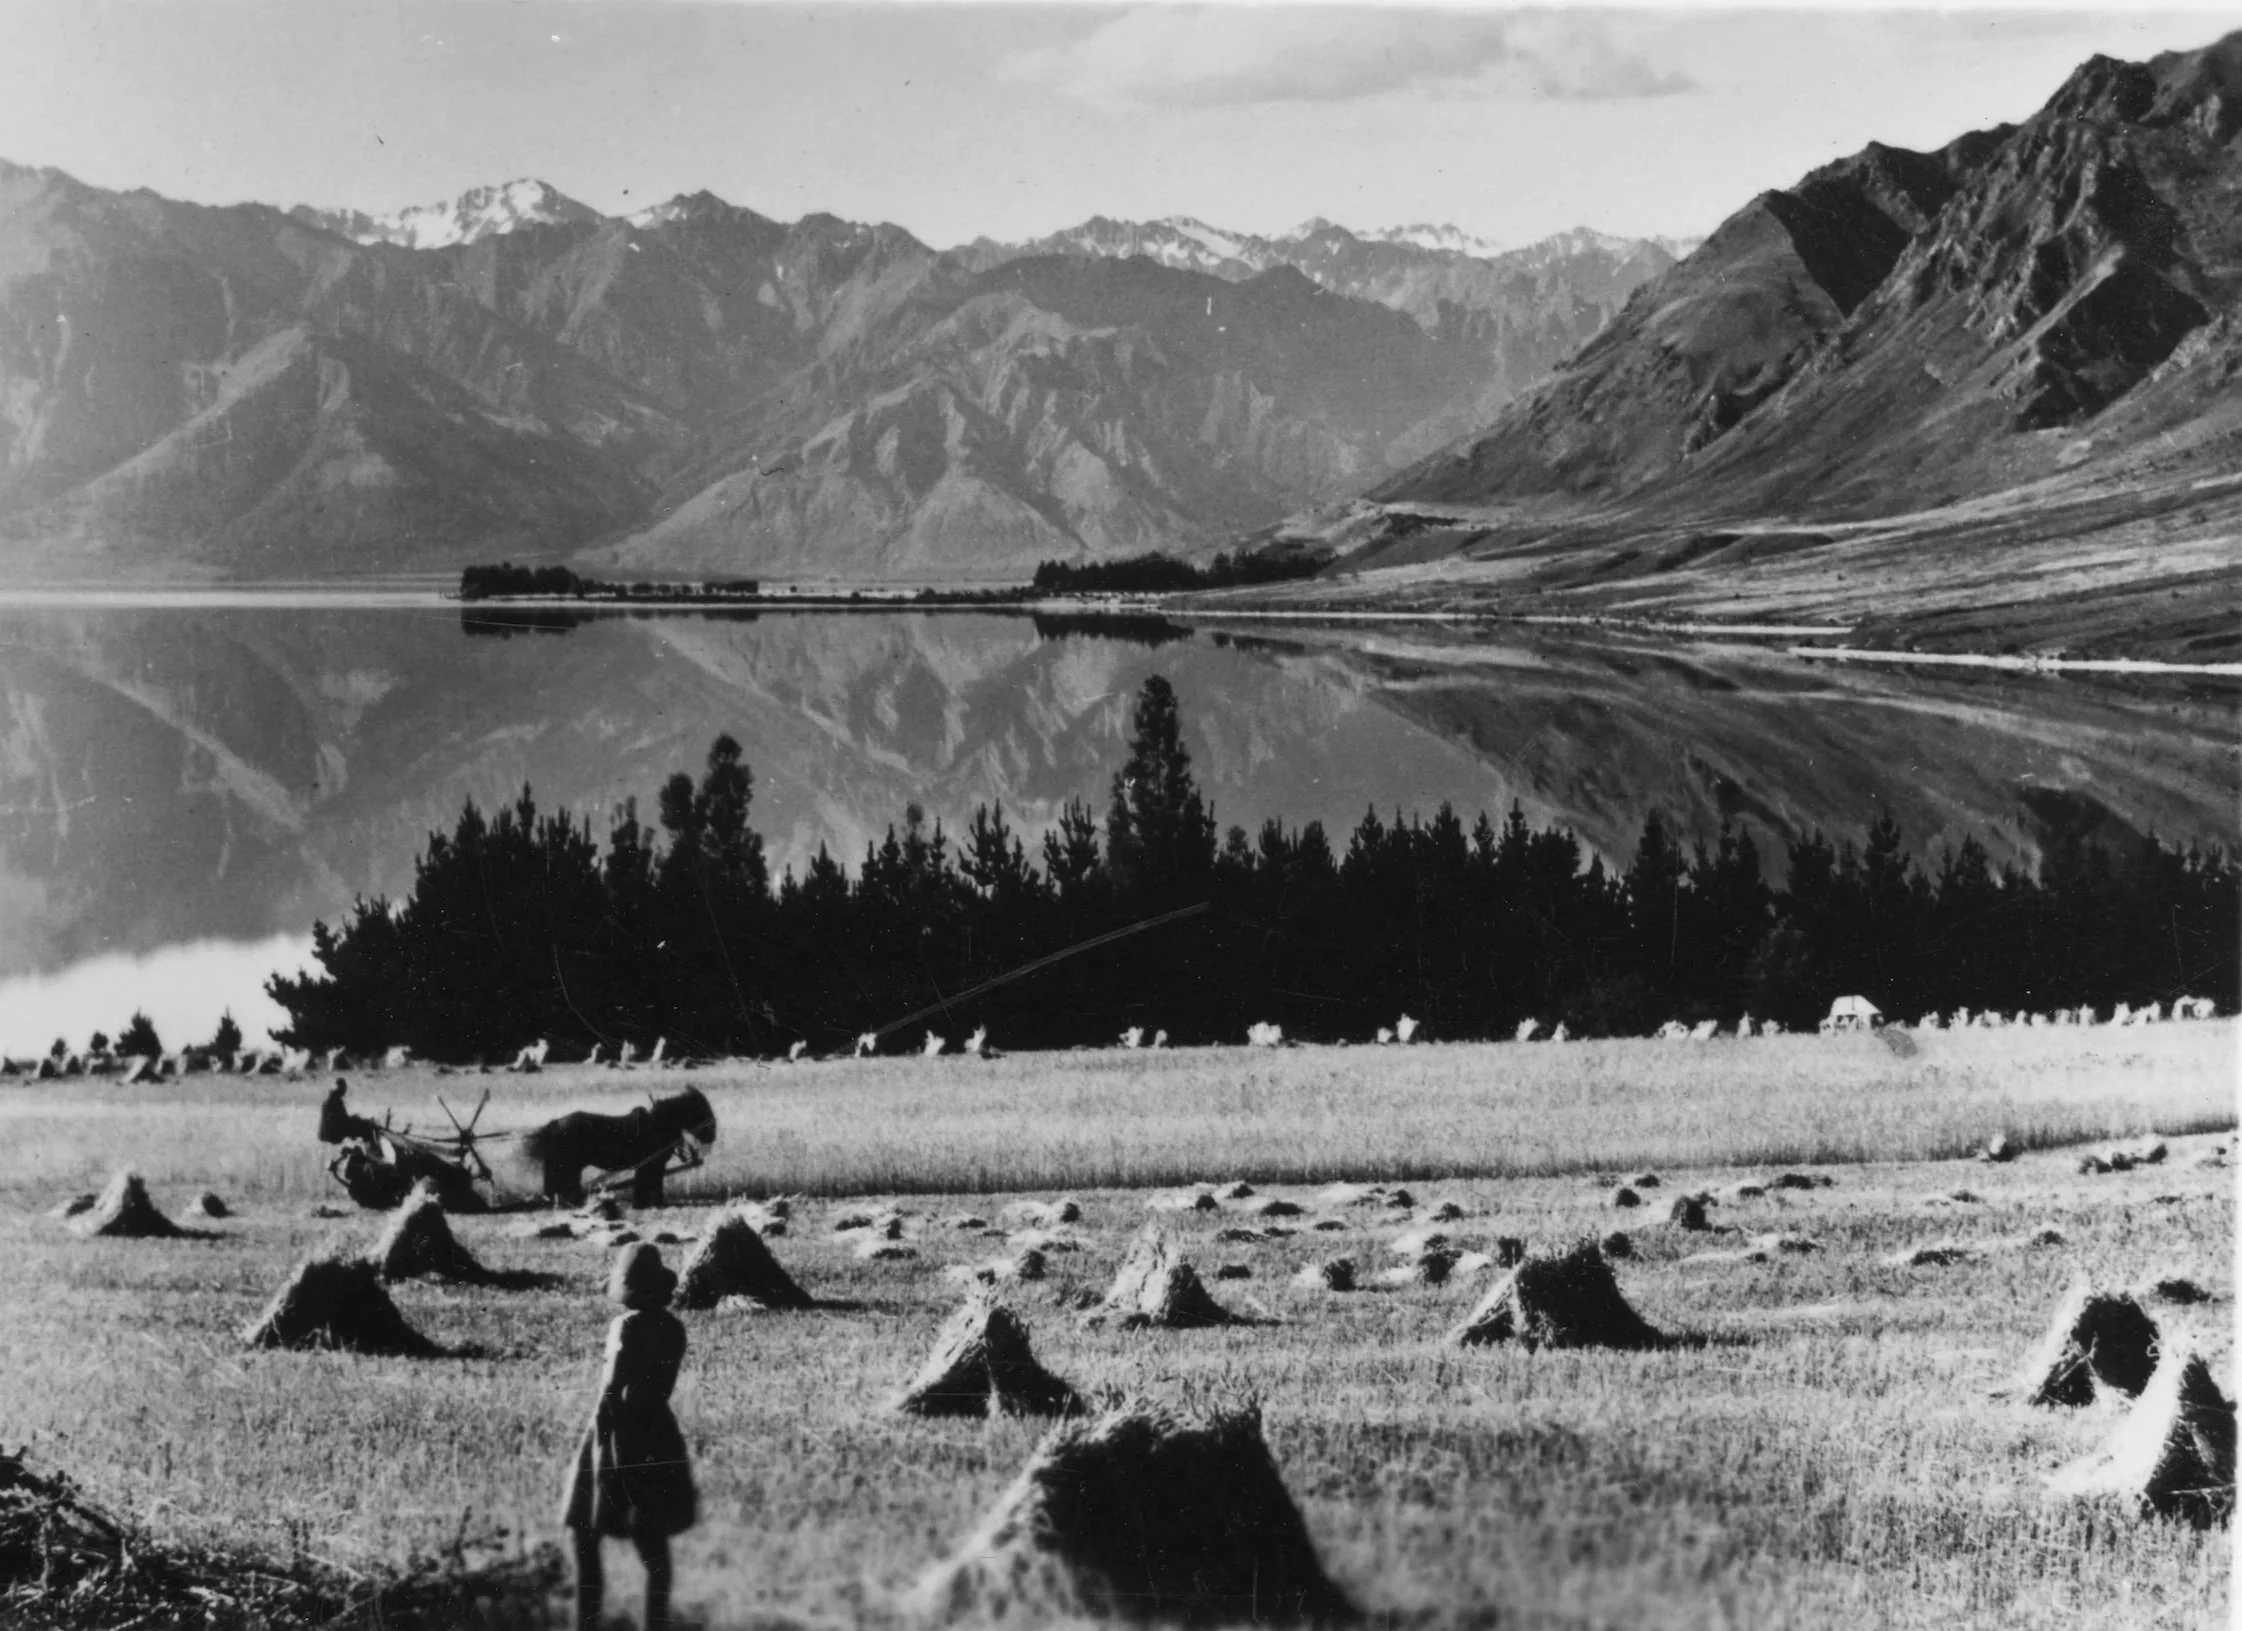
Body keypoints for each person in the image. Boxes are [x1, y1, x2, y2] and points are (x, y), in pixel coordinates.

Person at [561, 1243, 696, 1629]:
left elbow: (612, 1380)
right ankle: (656, 1621)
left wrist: (603, 1425)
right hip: (657, 1428)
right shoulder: (673, 1327)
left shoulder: (626, 1326)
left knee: (584, 1530)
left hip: (617, 1427)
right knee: (651, 1533)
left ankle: (586, 1622)